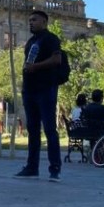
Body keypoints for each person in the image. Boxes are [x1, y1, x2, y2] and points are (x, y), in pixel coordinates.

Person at [16, 10, 63, 182]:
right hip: (30, 90)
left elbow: (57, 60)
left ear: (44, 21)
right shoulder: (30, 42)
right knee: (32, 130)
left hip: (46, 89)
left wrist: (36, 67)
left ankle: (54, 168)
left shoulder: (51, 39)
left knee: (50, 129)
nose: (31, 22)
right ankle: (32, 167)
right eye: (29, 20)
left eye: (34, 20)